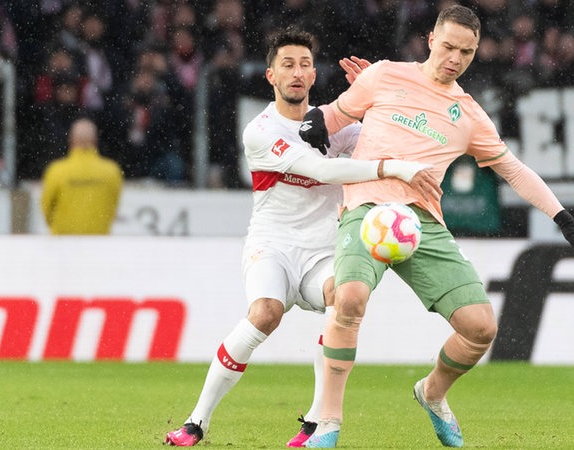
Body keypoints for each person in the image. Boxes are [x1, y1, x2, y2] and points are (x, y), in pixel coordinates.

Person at [297, 5, 574, 448]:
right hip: (367, 206)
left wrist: (563, 217)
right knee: (350, 297)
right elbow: (334, 116)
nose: (456, 58)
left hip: (421, 222)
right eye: (450, 47)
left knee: (481, 328)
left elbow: (514, 170)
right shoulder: (384, 75)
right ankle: (328, 423)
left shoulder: (468, 115)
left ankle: (432, 393)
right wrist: (315, 121)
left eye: (467, 52)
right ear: (431, 39)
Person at [163, 28, 436, 448]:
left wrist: (376, 104)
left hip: (322, 250)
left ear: (313, 77)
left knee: (342, 299)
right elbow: (325, 171)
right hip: (271, 247)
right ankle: (196, 421)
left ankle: (313, 421)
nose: (297, 72)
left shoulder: (338, 126)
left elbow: (392, 142)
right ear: (271, 75)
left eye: (305, 65)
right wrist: (390, 168)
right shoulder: (260, 131)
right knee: (266, 314)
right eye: (287, 64)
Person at [40, 117, 123, 235]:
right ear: (95, 140)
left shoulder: (57, 171)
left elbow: (46, 207)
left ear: (71, 139)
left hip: (63, 242)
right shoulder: (111, 171)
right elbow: (113, 204)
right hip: (99, 241)